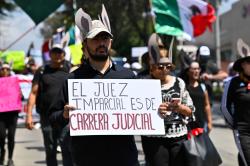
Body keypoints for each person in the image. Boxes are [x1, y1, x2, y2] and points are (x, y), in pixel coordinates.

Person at [49, 5, 139, 166]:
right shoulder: (73, 79)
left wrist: (157, 111)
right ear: (86, 43)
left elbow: (144, 113)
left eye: (105, 38)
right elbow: (53, 118)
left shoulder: (128, 76)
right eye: (96, 39)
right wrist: (64, 114)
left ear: (110, 42)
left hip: (124, 157)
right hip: (87, 157)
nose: (101, 43)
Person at [141, 33, 194, 166]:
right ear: (151, 66)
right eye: (160, 66)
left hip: (179, 138)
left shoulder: (179, 83)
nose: (164, 70)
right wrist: (154, 111)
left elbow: (191, 111)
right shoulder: (142, 84)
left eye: (168, 66)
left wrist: (179, 108)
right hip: (153, 141)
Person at [25, 34, 72, 166]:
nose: (57, 55)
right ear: (50, 54)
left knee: (67, 148)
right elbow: (33, 93)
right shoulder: (41, 71)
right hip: (46, 117)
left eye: (60, 52)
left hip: (66, 115)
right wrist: (29, 116)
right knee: (50, 149)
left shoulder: (71, 69)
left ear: (64, 54)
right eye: (54, 52)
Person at [221, 38, 250, 166]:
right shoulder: (233, 82)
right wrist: (234, 124)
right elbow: (224, 106)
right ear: (243, 65)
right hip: (243, 130)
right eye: (249, 62)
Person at [180, 61, 212, 133]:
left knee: (202, 144)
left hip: (201, 124)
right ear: (188, 71)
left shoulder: (203, 87)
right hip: (187, 124)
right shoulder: (183, 87)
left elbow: (207, 105)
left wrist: (210, 122)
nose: (196, 71)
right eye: (194, 69)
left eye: (198, 69)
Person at [0, 63, 20, 166]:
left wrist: (19, 94)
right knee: (2, 136)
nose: (4, 71)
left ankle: (10, 158)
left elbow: (20, 96)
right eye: (2, 69)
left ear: (9, 70)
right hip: (1, 115)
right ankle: (2, 153)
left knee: (11, 136)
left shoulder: (14, 82)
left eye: (7, 69)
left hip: (12, 114)